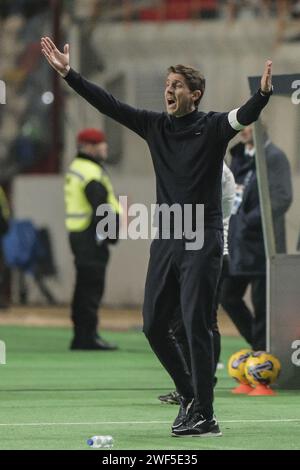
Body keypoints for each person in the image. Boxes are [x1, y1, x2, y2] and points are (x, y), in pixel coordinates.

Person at [41, 36, 272, 437]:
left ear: (195, 95)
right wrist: (69, 74)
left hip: (203, 238)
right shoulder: (154, 126)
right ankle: (189, 395)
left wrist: (264, 94)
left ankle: (206, 414)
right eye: (167, 84)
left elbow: (243, 114)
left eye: (177, 86)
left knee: (197, 325)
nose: (168, 90)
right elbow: (108, 104)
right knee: (153, 326)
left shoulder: (213, 126)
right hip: (167, 238)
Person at [158, 162, 236, 405]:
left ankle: (200, 383)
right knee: (187, 321)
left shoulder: (216, 170)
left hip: (210, 252)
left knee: (199, 321)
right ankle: (194, 382)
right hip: (195, 250)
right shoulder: (205, 167)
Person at [221, 125, 292, 351]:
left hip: (263, 245)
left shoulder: (274, 157)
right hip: (239, 244)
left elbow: (282, 197)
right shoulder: (240, 159)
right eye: (242, 126)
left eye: (249, 125)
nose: (244, 131)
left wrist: (248, 221)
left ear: (262, 127)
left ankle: (263, 356)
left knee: (262, 305)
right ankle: (260, 347)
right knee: (227, 295)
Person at [65, 128, 121, 351]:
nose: (105, 147)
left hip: (79, 234)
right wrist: (109, 235)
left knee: (83, 286)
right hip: (91, 237)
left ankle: (81, 335)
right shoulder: (91, 173)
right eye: (100, 144)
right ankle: (87, 337)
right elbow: (102, 208)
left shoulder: (77, 168)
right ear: (88, 147)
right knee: (91, 288)